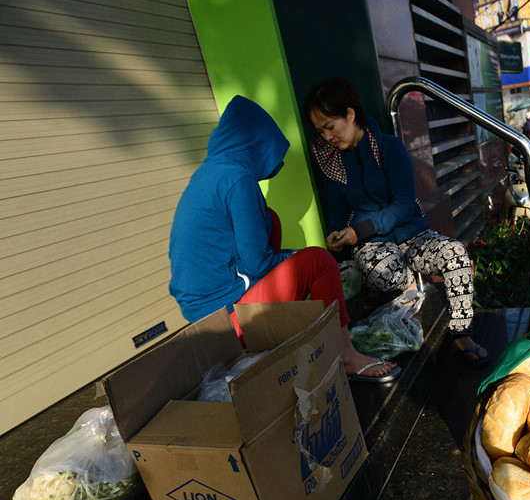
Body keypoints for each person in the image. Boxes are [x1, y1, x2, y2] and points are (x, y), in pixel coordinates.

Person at [168, 95, 399, 383]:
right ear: (256, 142)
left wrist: (288, 259)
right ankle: (346, 356)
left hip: (201, 322)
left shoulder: (210, 173)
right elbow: (257, 263)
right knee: (319, 260)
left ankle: (297, 326)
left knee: (270, 217)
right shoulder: (237, 179)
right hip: (227, 322)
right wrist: (297, 259)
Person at [302, 77, 489, 365]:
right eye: (320, 131)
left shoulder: (390, 148)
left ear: (350, 114)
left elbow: (404, 204)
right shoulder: (333, 161)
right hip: (373, 245)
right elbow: (336, 207)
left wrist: (360, 228)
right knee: (380, 274)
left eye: (330, 127)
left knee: (455, 254)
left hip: (412, 234)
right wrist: (335, 232)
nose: (327, 137)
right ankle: (410, 282)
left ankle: (461, 333)